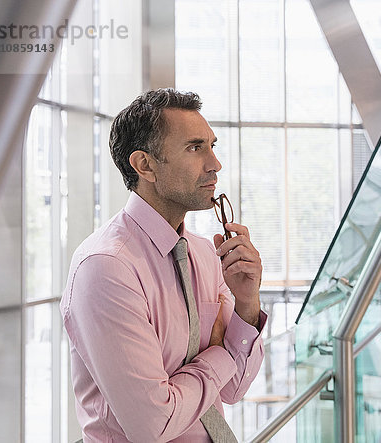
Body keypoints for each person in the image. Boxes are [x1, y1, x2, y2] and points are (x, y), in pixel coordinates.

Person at [61, 89, 267, 442]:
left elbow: (234, 388)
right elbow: (153, 425)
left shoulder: (205, 254)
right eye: (194, 147)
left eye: (212, 146)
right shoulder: (107, 268)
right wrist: (219, 354)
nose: (215, 164)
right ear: (145, 166)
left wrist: (246, 305)